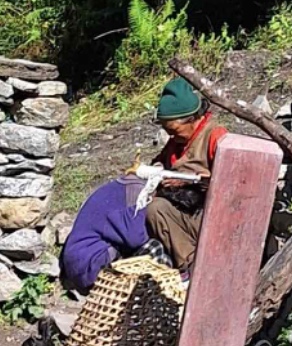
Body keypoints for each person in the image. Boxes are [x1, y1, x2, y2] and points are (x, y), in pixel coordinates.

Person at [57, 75, 227, 293]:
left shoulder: (215, 137)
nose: (170, 135)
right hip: (90, 264)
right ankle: (185, 270)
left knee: (157, 211)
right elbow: (160, 163)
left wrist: (196, 180)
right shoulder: (177, 143)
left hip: (209, 212)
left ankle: (195, 269)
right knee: (153, 232)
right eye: (167, 131)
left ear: (192, 118)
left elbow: (231, 182)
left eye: (174, 130)